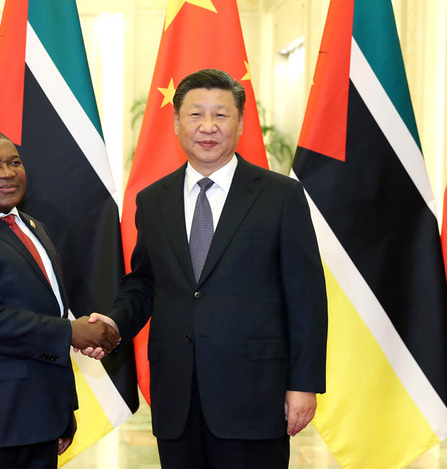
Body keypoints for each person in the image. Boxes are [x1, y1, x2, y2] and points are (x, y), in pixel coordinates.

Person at [89, 69, 328, 468]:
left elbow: (306, 296)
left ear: (240, 123)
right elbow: (147, 282)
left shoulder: (279, 195)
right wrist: (113, 323)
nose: (207, 127)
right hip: (177, 397)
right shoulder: (153, 199)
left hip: (254, 395)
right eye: (196, 114)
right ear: (177, 123)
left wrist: (303, 385)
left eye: (221, 115)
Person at [0, 128, 120, 469]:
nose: (7, 172)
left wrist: (61, 411)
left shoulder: (32, 226)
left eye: (14, 162)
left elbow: (46, 311)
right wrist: (71, 332)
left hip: (40, 419)